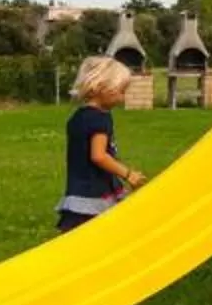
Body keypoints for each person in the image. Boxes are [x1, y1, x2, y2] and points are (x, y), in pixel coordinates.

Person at [56, 57, 146, 234]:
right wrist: (128, 174)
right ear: (101, 87)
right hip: (94, 195)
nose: (122, 97)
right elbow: (98, 156)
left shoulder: (77, 117)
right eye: (121, 91)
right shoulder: (100, 118)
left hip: (77, 192)